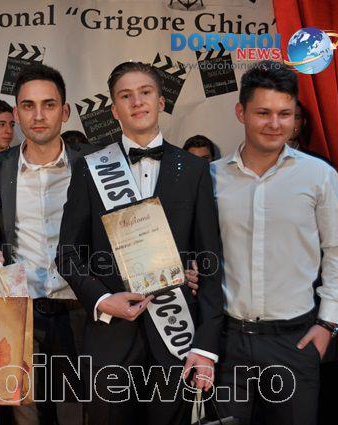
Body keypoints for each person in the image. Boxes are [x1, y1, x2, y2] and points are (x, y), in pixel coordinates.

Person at [55, 61, 224, 425]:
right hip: (110, 338)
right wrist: (102, 300)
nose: (137, 102)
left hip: (177, 335)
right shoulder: (90, 168)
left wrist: (206, 346)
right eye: (125, 96)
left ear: (161, 101)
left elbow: (210, 260)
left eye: (145, 92)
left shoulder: (194, 169)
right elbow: (68, 254)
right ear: (114, 109)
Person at [210, 61, 338, 425]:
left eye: (284, 114)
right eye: (263, 113)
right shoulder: (212, 177)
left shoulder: (318, 176)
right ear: (241, 112)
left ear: (295, 117)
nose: (275, 124)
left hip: (295, 343)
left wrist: (328, 323)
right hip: (227, 343)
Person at [0, 64, 97, 425]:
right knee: (26, 415)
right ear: (16, 113)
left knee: (79, 412)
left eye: (48, 105)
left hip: (80, 307)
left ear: (65, 111)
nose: (38, 115)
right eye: (28, 106)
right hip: (21, 310)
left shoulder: (95, 164)